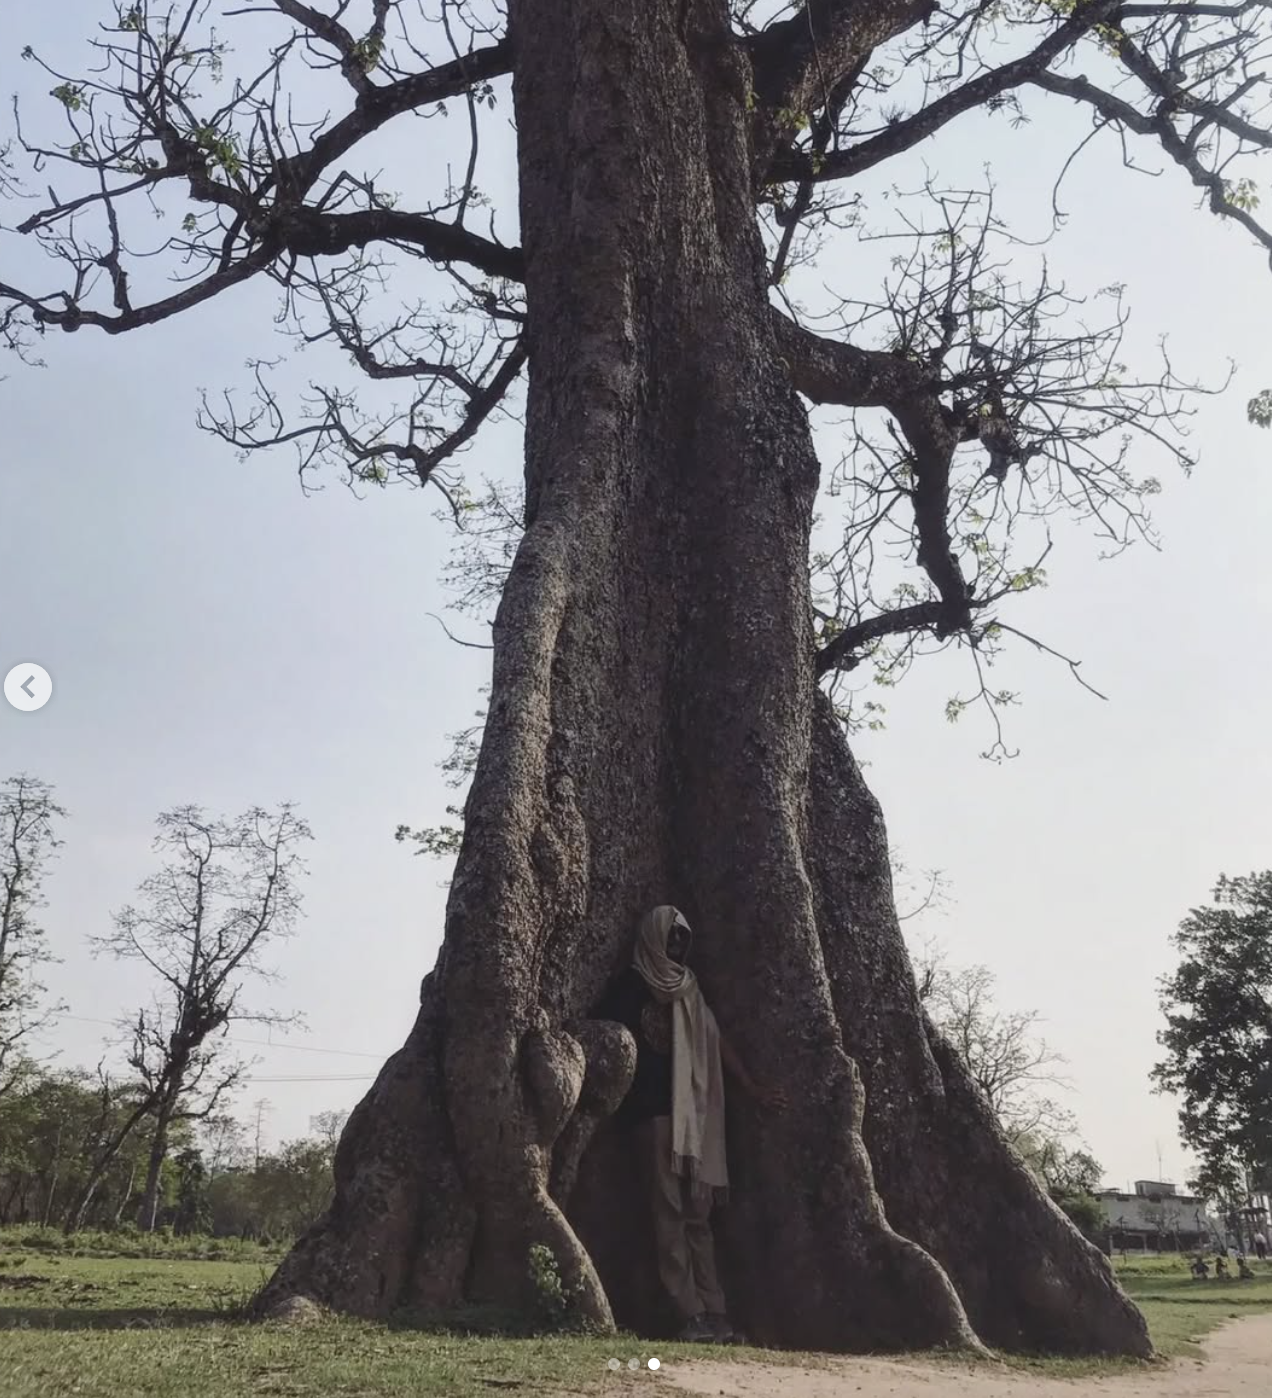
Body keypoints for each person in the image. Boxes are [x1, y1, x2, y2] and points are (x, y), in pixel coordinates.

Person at [597, 905, 786, 1343]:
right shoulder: (629, 988)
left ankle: (715, 1310)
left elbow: (715, 1041)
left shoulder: (689, 990)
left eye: (684, 940)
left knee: (698, 1215)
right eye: (672, 938)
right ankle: (690, 1313)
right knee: (669, 1214)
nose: (678, 947)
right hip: (652, 1117)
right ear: (652, 938)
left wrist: (753, 1089)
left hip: (695, 1119)